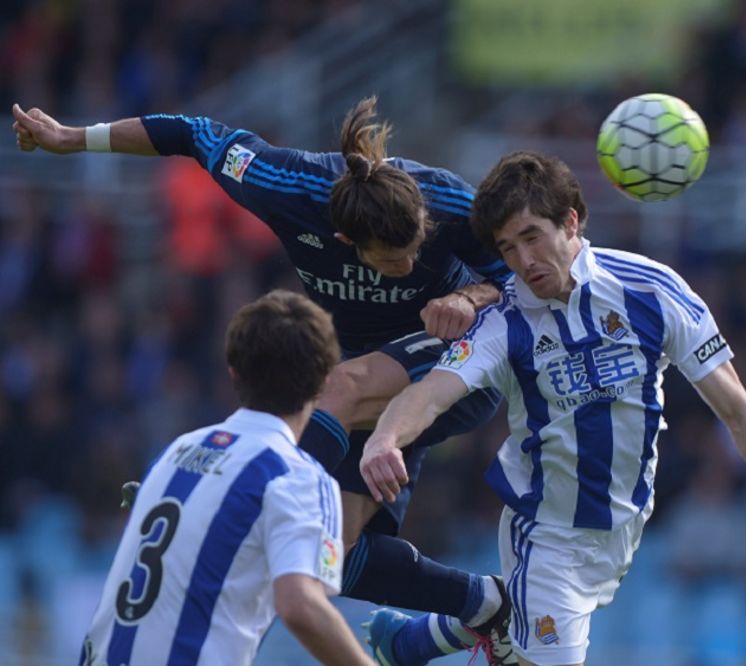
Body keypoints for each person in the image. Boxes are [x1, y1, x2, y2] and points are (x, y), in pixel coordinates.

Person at [12, 99, 515, 664]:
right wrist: (74, 137)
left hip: (457, 365)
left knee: (337, 388)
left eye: (416, 250)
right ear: (346, 242)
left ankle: (229, 500)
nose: (409, 264)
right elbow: (194, 132)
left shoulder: (448, 200)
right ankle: (488, 605)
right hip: (366, 393)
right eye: (392, 261)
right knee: (334, 561)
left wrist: (468, 296)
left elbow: (520, 280)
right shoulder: (286, 185)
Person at [359, 151, 746, 666]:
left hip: (623, 527)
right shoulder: (505, 319)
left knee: (519, 618)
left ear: (571, 221)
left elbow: (739, 410)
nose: (523, 261)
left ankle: (408, 642)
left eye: (531, 236)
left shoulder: (651, 290)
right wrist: (384, 438)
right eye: (507, 248)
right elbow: (431, 392)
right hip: (545, 530)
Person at [81, 289, 374, 666]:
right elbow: (300, 605)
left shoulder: (176, 451)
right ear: (323, 382)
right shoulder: (297, 476)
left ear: (233, 373)